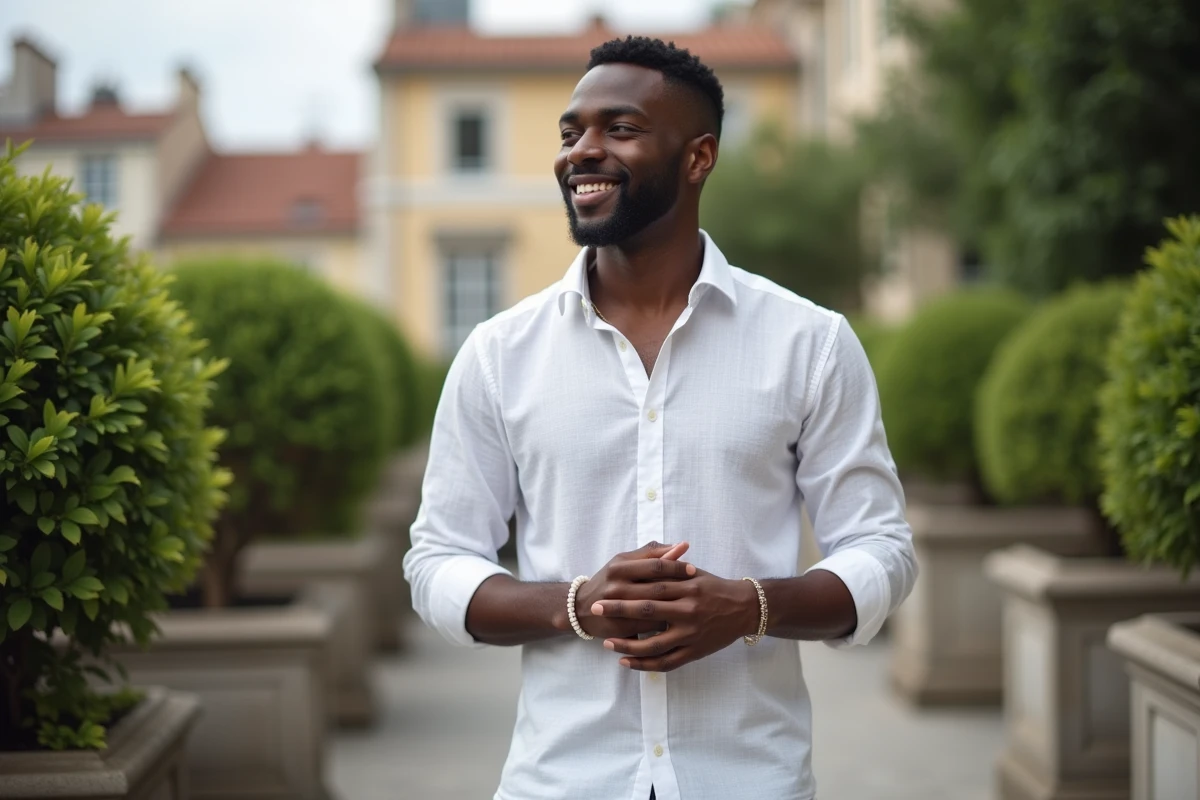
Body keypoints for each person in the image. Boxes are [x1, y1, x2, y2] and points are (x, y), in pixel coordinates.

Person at [404, 35, 917, 800]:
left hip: (750, 780)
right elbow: (436, 561)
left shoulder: (809, 344)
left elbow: (881, 550)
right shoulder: (497, 354)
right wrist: (574, 605)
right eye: (572, 132)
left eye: (621, 129)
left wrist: (751, 607)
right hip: (561, 782)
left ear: (699, 157)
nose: (583, 151)